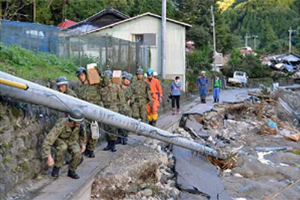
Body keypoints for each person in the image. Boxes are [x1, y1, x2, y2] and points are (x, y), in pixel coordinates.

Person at [42, 108, 86, 179]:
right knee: (63, 147)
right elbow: (48, 140)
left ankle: (72, 170)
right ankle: (57, 168)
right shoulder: (61, 124)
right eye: (78, 122)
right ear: (72, 122)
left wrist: (83, 144)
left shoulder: (80, 124)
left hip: (72, 140)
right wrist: (48, 157)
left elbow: (83, 134)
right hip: (60, 139)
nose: (80, 123)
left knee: (77, 152)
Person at [75, 66, 101, 158]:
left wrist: (99, 72)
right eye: (79, 76)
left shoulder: (94, 84)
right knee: (85, 131)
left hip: (94, 110)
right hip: (84, 112)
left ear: (86, 75)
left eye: (82, 75)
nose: (81, 77)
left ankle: (91, 149)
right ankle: (85, 148)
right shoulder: (79, 88)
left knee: (94, 130)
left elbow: (105, 83)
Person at [100, 70, 125, 152]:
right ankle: (109, 144)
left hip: (114, 109)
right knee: (106, 127)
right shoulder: (102, 88)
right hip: (105, 108)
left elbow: (121, 99)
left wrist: (121, 108)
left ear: (111, 78)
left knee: (113, 127)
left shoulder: (116, 87)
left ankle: (113, 144)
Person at [119, 73, 134, 145]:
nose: (127, 81)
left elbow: (132, 97)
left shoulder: (130, 89)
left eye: (129, 80)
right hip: (118, 107)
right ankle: (119, 137)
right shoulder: (118, 88)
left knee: (126, 124)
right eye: (126, 79)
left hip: (127, 109)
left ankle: (125, 137)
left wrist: (131, 99)